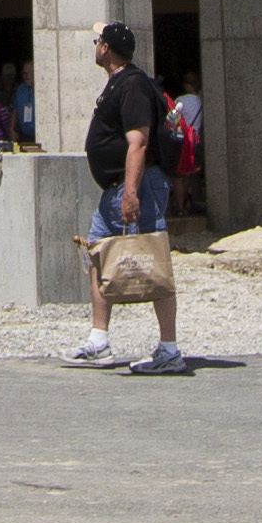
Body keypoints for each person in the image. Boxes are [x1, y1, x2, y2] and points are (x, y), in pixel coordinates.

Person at [62, 23, 190, 376]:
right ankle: (98, 341)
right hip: (115, 187)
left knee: (154, 258)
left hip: (136, 185)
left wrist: (131, 193)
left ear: (107, 48)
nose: (95, 46)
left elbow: (139, 142)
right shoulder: (118, 83)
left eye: (97, 41)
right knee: (99, 255)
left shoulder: (132, 84)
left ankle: (169, 349)